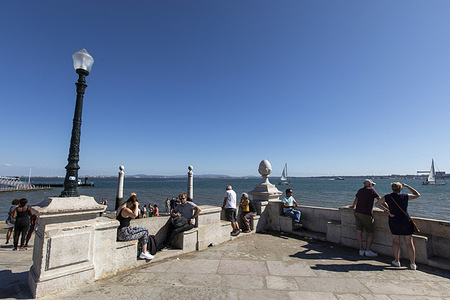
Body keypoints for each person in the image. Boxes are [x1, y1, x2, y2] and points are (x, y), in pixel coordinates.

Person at [375, 182, 420, 270]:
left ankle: (397, 261)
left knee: (396, 241)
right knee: (409, 242)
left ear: (392, 188)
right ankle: (412, 263)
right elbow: (417, 194)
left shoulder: (387, 197)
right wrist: (407, 186)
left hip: (394, 220)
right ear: (400, 189)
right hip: (405, 221)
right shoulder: (405, 196)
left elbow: (377, 204)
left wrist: (387, 211)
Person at [116, 193, 154, 260]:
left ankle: (139, 251)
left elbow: (125, 203)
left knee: (140, 229)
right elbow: (135, 215)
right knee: (145, 231)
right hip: (125, 233)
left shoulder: (121, 208)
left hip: (121, 232)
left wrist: (130, 197)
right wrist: (136, 205)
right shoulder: (126, 210)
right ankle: (144, 252)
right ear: (131, 203)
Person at [350, 179, 381, 257]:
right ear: (370, 185)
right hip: (367, 214)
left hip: (357, 212)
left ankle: (361, 249)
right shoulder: (372, 190)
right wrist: (388, 208)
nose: (372, 186)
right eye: (372, 185)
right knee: (370, 232)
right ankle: (367, 250)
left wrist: (353, 206)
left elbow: (356, 200)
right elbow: (380, 200)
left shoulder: (360, 190)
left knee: (359, 231)